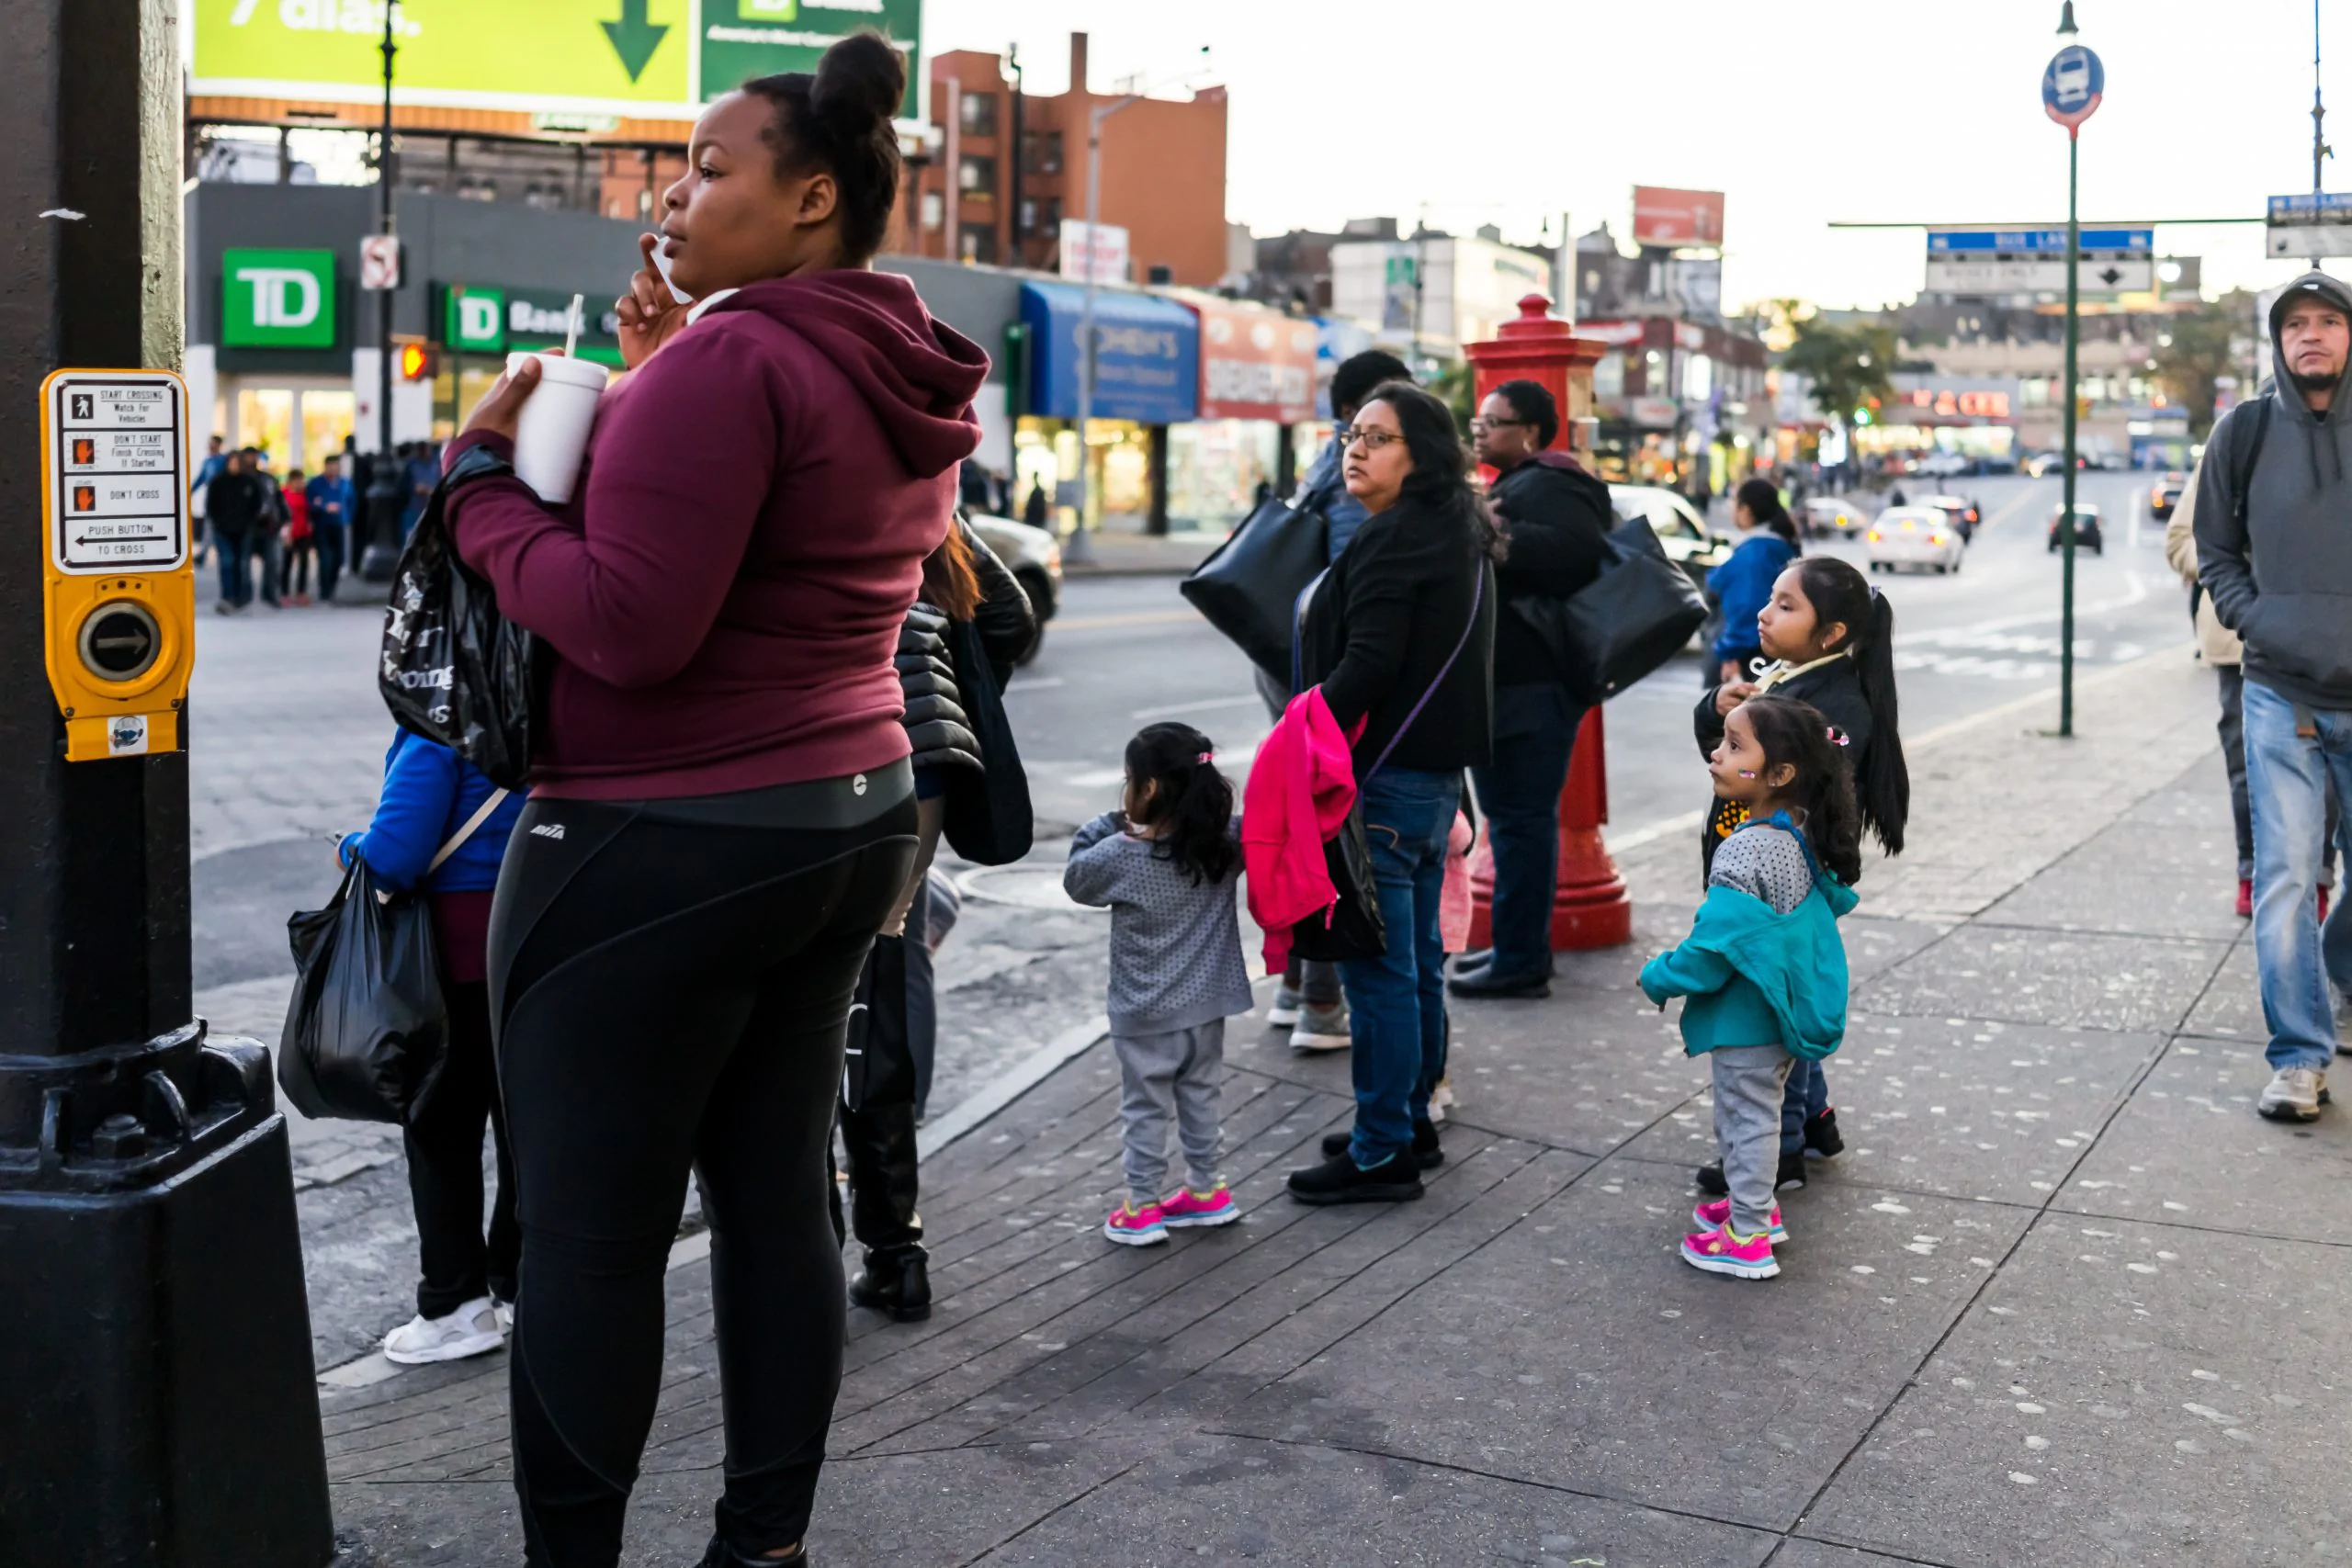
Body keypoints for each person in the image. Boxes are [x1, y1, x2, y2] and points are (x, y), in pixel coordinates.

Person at [446, 33, 987, 1568]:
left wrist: (478, 483)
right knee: (774, 1198)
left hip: (655, 836)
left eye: (711, 167)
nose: (675, 194)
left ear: (813, 195)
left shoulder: (736, 361)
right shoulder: (888, 356)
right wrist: (673, 351)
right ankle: (763, 1545)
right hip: (844, 815)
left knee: (590, 1239)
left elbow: (627, 621)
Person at [1285, 379, 1497, 1204]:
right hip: (1433, 781)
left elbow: (1367, 665)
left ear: (1424, 454)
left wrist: (1303, 728)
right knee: (1412, 966)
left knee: (1377, 971)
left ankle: (1380, 1150)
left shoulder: (1393, 539)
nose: (1356, 449)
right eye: (1352, 435)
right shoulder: (1459, 531)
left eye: (1378, 437)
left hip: (1382, 780)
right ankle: (1407, 1121)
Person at [837, 517, 1035, 1324]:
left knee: (799, 1023)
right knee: (876, 995)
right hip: (922, 774)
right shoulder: (924, 482)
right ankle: (897, 1252)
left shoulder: (796, 452)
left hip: (833, 766)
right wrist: (948, 697)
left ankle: (814, 1252)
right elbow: (1009, 616)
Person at [1693, 557, 1908, 1195]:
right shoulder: (1789, 678)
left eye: (1787, 605)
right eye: (1771, 597)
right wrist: (1722, 709)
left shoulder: (1834, 706)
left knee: (1769, 1009)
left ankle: (1778, 1153)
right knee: (1785, 1006)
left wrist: (1749, 722)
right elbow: (1730, 761)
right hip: (1756, 869)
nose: (1764, 612)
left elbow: (1788, 781)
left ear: (1832, 633)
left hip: (1781, 887)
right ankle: (1813, 1118)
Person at [2194, 271, 2352, 1122]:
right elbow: (2215, 548)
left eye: (2330, 320)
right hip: (2279, 692)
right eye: (2297, 323)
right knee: (2287, 873)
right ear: (2279, 339)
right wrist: (2261, 621)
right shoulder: (2244, 431)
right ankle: (2298, 1057)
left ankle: (2340, 972)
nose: (2313, 335)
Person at [1641, 698, 1860, 1280]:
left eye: (1735, 746)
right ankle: (1752, 1205)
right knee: (1750, 1115)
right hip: (1777, 1011)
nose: (1717, 753)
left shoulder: (1744, 846)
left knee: (1747, 1120)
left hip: (1748, 1018)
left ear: (1779, 774)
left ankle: (1748, 1233)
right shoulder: (1794, 830)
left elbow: (1712, 951)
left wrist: (1658, 974)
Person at [336, 729, 525, 1364]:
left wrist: (346, 848)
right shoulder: (558, 690)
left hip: (454, 961)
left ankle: (455, 1307)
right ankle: (525, 1284)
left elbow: (393, 855)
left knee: (440, 1130)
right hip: (543, 943)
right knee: (527, 1125)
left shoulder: (442, 719)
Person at [1257, 347, 1411, 1051]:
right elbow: (1358, 583)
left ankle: (1295, 988)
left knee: (1302, 813)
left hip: (1291, 659)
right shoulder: (1362, 475)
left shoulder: (1324, 461)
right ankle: (1320, 999)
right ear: (1361, 411)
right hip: (1328, 673)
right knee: (1332, 824)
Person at [1451, 378, 1612, 1000]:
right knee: (1515, 822)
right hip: (1518, 686)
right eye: (1478, 421)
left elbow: (1575, 552)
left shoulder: (1554, 482)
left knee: (1520, 823)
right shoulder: (1527, 482)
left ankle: (1520, 961)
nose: (1480, 430)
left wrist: (1490, 533)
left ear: (1531, 432)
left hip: (1534, 687)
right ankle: (1517, 949)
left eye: (1493, 421)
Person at [1065, 722, 1254, 1245]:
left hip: (1145, 1011)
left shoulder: (1121, 854)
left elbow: (1076, 879)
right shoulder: (1225, 843)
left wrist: (1112, 822)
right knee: (1201, 1096)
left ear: (1147, 789)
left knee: (1145, 1106)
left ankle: (1143, 1204)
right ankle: (1207, 1189)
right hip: (1209, 1005)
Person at [2165, 452, 2341, 922]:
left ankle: (2318, 878)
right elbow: (2180, 541)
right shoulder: (2236, 440)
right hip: (2238, 641)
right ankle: (2251, 871)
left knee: (2322, 765)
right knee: (2246, 763)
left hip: (2318, 643)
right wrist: (2237, 575)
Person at [1706, 477, 1800, 682]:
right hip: (1768, 654)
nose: (1730, 509)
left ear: (1746, 511)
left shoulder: (1754, 555)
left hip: (1747, 659)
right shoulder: (1777, 546)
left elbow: (1747, 608)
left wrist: (1730, 655)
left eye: (1733, 503)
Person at [203, 447, 271, 614]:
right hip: (223, 531)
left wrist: (250, 524)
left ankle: (243, 597)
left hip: (244, 530)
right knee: (227, 563)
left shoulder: (249, 481)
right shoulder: (218, 482)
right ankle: (228, 597)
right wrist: (218, 524)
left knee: (243, 564)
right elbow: (211, 505)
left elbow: (257, 505)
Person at [305, 454, 356, 604]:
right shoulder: (316, 484)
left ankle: (332, 586)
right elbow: (310, 503)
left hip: (339, 524)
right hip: (322, 524)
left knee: (339, 558)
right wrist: (323, 508)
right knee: (325, 558)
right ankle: (324, 590)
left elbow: (352, 501)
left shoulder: (344, 484)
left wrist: (347, 517)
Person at [279, 466, 314, 605]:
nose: (300, 484)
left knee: (304, 563)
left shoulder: (306, 494)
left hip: (303, 532)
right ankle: (284, 593)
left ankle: (301, 592)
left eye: (301, 481)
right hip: (288, 532)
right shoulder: (283, 494)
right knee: (286, 564)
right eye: (297, 481)